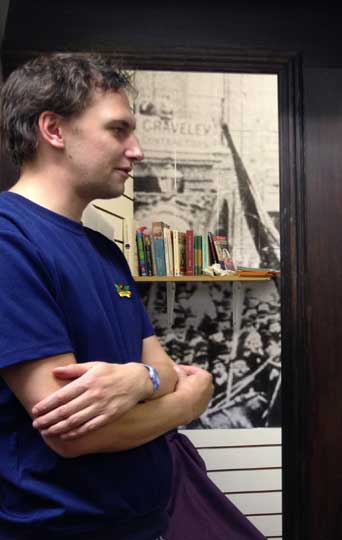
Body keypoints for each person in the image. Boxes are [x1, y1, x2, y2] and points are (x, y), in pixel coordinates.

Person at [0, 53, 214, 539]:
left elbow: (160, 366)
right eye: (118, 130)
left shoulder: (105, 251)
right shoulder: (10, 240)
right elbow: (76, 434)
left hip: (141, 524)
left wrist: (142, 379)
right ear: (53, 129)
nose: (137, 151)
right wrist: (189, 401)